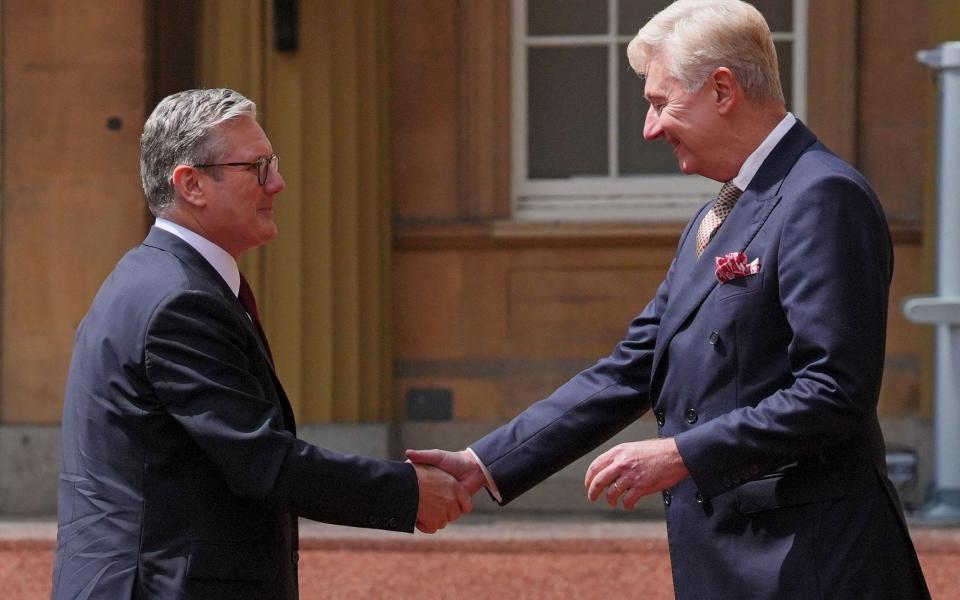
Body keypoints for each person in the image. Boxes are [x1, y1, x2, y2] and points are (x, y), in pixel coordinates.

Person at [407, 1, 931, 598]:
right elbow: (632, 367)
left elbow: (836, 391)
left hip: (812, 562)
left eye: (660, 102)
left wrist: (684, 453)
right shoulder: (719, 212)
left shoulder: (822, 195)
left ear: (723, 90)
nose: (650, 128)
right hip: (735, 558)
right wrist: (485, 464)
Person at [52, 88, 470, 599]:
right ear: (192, 184)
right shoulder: (178, 301)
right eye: (256, 167)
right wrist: (407, 492)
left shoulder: (153, 278)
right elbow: (262, 463)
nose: (278, 183)